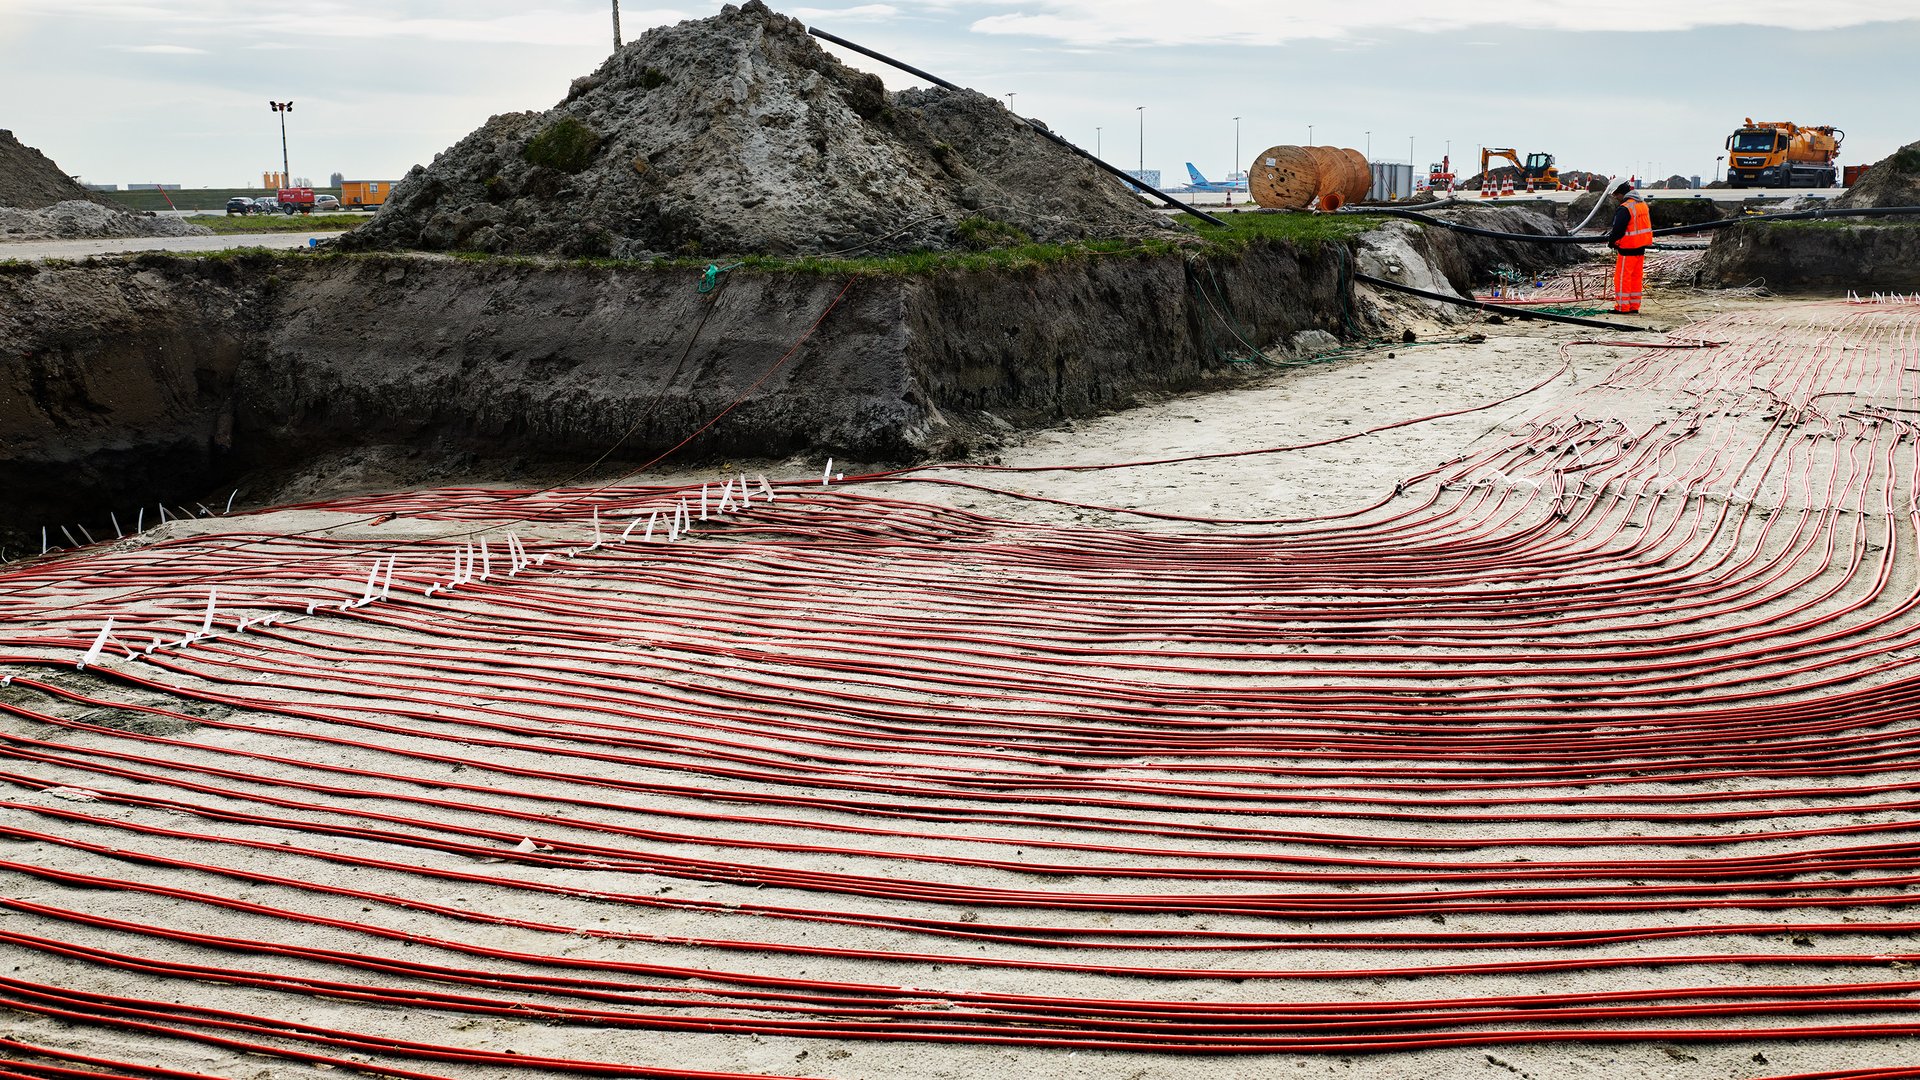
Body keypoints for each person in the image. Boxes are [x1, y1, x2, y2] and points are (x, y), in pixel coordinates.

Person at [1605, 179, 1653, 313]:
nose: (1615, 198)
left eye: (1616, 195)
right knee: (1636, 278)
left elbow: (1618, 229)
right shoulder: (1642, 204)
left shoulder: (1625, 208)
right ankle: (1633, 306)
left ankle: (1622, 307)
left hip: (1628, 248)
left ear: (1621, 193)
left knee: (1622, 278)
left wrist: (1611, 242)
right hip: (1640, 247)